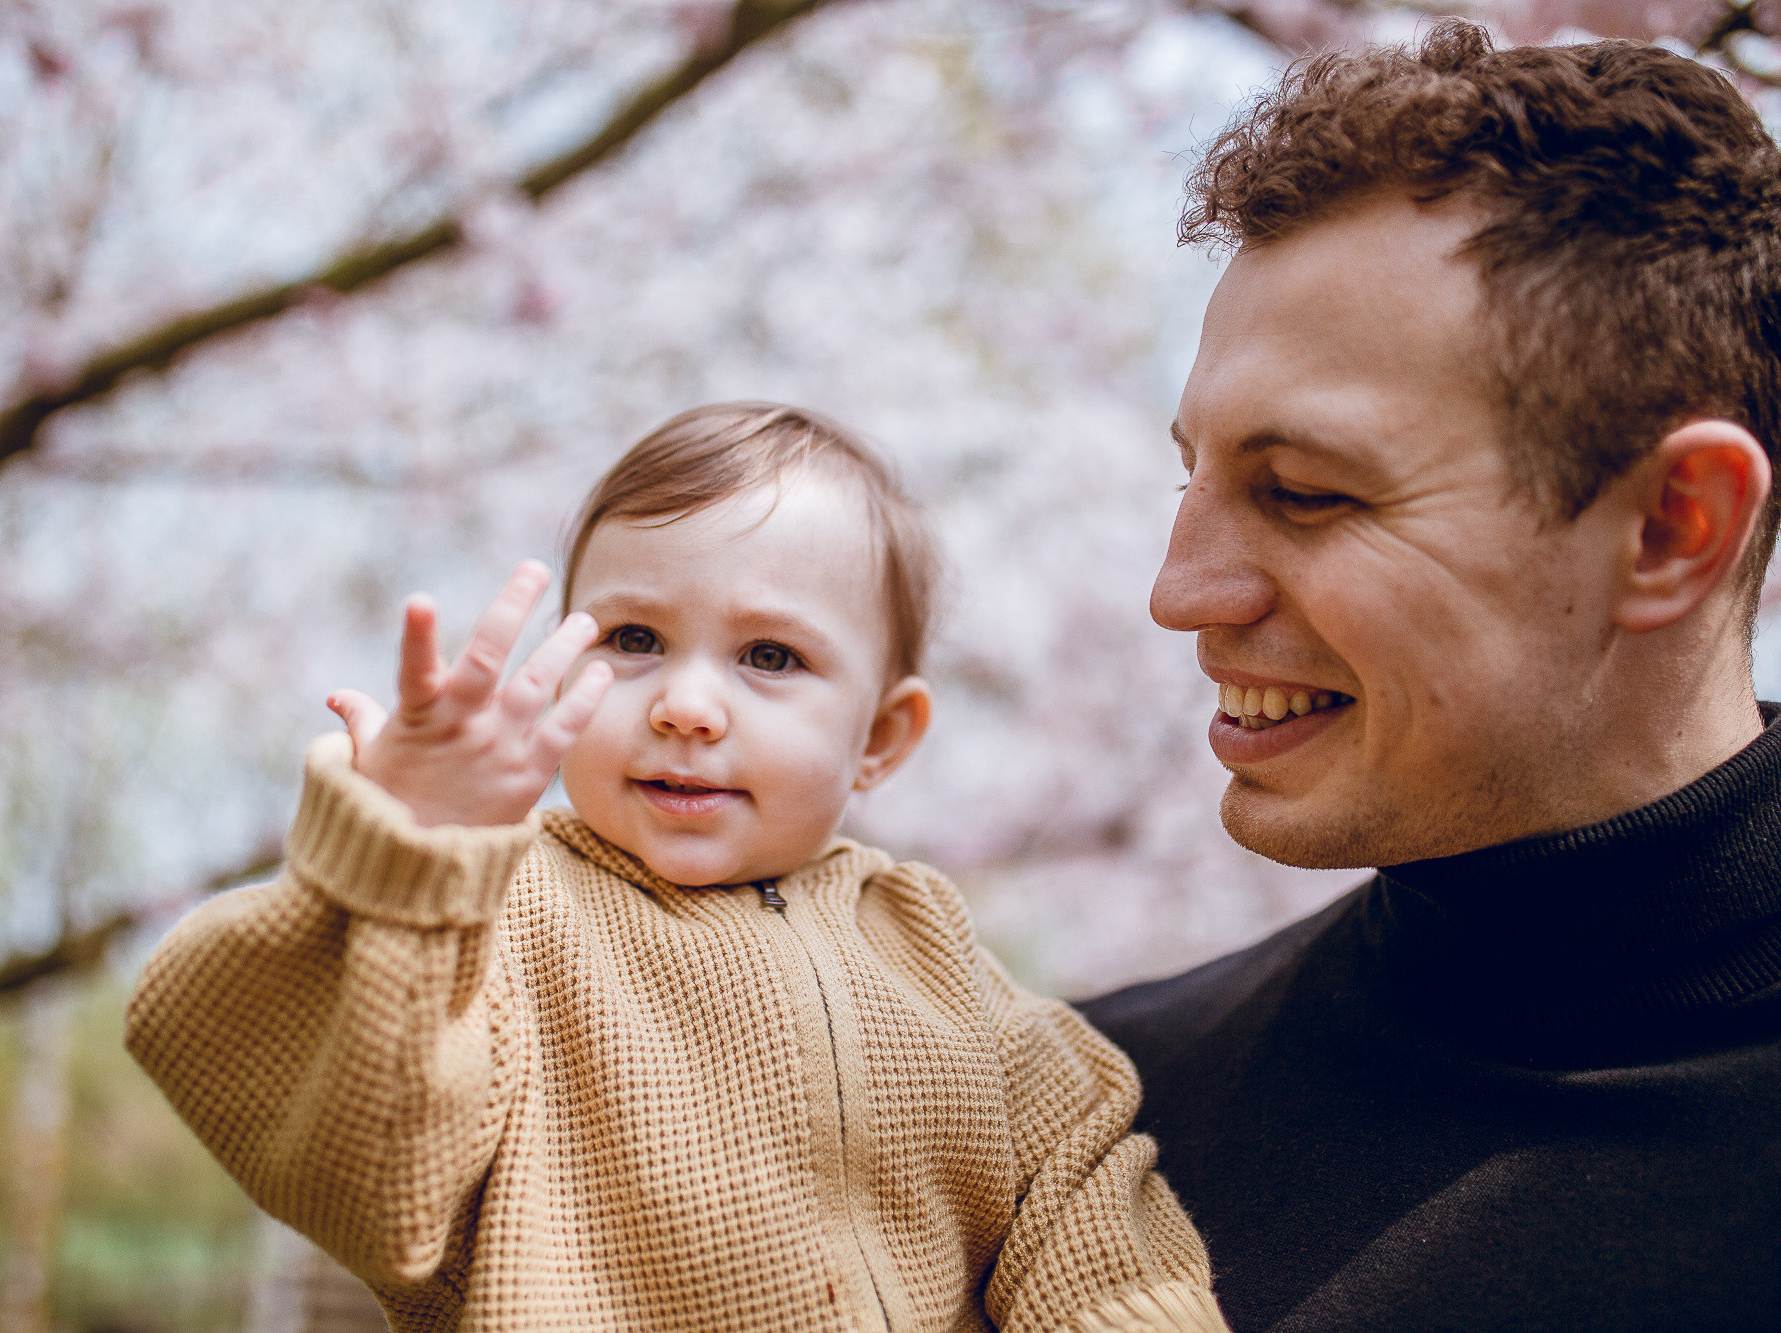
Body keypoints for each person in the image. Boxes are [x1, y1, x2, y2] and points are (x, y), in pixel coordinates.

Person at [127, 404, 1227, 1333]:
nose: (685, 707)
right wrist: (413, 867)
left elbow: (1083, 1216)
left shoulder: (932, 955)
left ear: (881, 738)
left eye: (769, 657)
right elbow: (370, 1174)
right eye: (633, 640)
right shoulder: (502, 913)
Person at [1080, 21, 1781, 1331]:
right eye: (1198, 474)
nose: (1180, 593)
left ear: (1672, 524)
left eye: (1302, 491)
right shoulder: (1097, 1117)